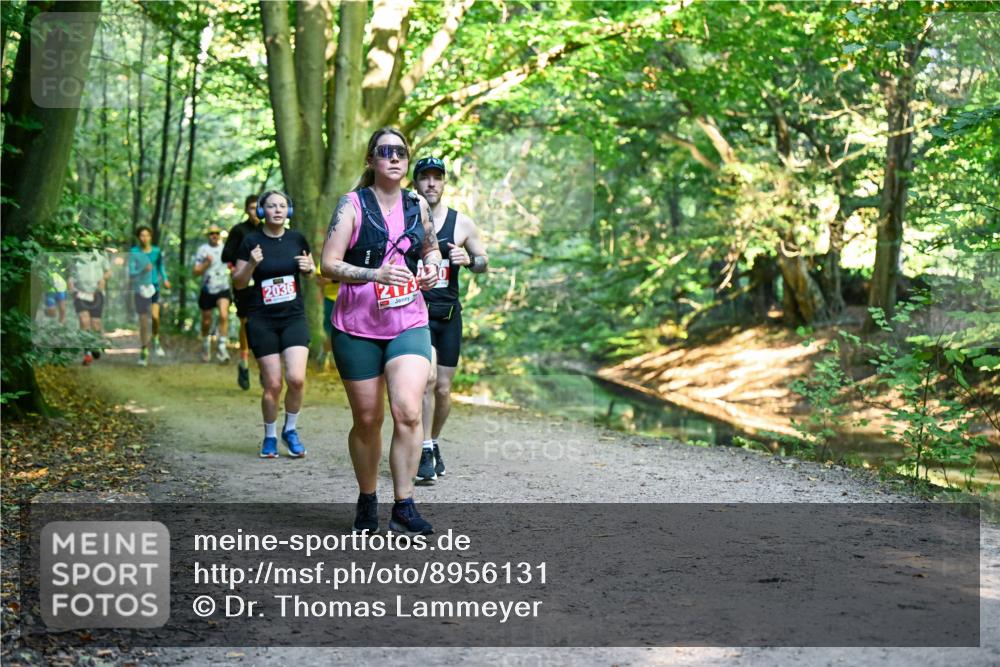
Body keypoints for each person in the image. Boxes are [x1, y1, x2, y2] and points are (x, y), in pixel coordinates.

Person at [321, 127, 442, 536]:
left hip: (408, 319)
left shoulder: (417, 206)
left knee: (408, 410)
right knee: (368, 418)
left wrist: (431, 268)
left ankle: (404, 504)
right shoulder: (351, 205)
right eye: (384, 152)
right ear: (371, 160)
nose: (394, 158)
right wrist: (374, 273)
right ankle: (367, 498)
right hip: (356, 325)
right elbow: (329, 264)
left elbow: (430, 249)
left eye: (401, 152)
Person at [412, 156, 489, 482]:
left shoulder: (462, 223)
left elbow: (484, 261)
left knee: (443, 389)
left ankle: (433, 441)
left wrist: (470, 260)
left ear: (444, 183)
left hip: (448, 316)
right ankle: (424, 448)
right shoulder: (405, 218)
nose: (431, 183)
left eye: (437, 178)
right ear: (414, 182)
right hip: (415, 314)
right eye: (425, 178)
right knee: (426, 381)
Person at [232, 190, 316, 459]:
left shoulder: (297, 239)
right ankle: (269, 435)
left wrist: (309, 269)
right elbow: (239, 282)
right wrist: (252, 265)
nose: (277, 210)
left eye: (283, 205)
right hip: (262, 320)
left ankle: (290, 430)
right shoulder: (250, 242)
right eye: (271, 206)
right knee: (273, 385)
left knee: (297, 379)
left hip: (293, 317)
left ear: (288, 211)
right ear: (261, 211)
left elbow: (312, 270)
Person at [222, 195, 261, 389]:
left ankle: (265, 365)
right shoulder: (239, 230)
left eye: (258, 208)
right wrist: (237, 272)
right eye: (252, 208)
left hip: (265, 282)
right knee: (246, 322)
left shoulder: (268, 230)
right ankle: (244, 362)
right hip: (244, 282)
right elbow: (226, 255)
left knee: (266, 322)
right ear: (246, 210)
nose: (256, 212)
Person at [128, 226, 171, 366]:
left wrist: (165, 278)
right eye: (141, 235)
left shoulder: (157, 251)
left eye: (147, 235)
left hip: (154, 287)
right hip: (139, 289)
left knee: (155, 317)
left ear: (151, 237)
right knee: (143, 321)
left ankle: (156, 338)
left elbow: (160, 267)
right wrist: (142, 269)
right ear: (138, 237)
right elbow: (131, 272)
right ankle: (144, 350)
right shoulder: (134, 252)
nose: (144, 238)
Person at [193, 224, 232, 363]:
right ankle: (205, 346)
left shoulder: (225, 248)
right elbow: (195, 272)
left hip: (223, 288)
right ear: (208, 236)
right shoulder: (202, 250)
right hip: (207, 289)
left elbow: (232, 265)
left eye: (216, 233)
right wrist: (206, 263)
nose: (214, 235)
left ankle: (222, 347)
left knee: (223, 314)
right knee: (206, 321)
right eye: (211, 233)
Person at [69, 248, 112, 366]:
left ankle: (95, 345)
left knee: (96, 323)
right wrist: (71, 286)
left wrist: (103, 279)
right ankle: (87, 353)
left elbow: (108, 271)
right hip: (80, 292)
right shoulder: (75, 253)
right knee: (84, 321)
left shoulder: (101, 253)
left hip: (97, 293)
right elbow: (70, 274)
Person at [314, 272, 339, 371]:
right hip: (331, 299)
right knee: (330, 332)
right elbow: (320, 279)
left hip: (352, 299)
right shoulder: (328, 256)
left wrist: (333, 278)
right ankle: (324, 355)